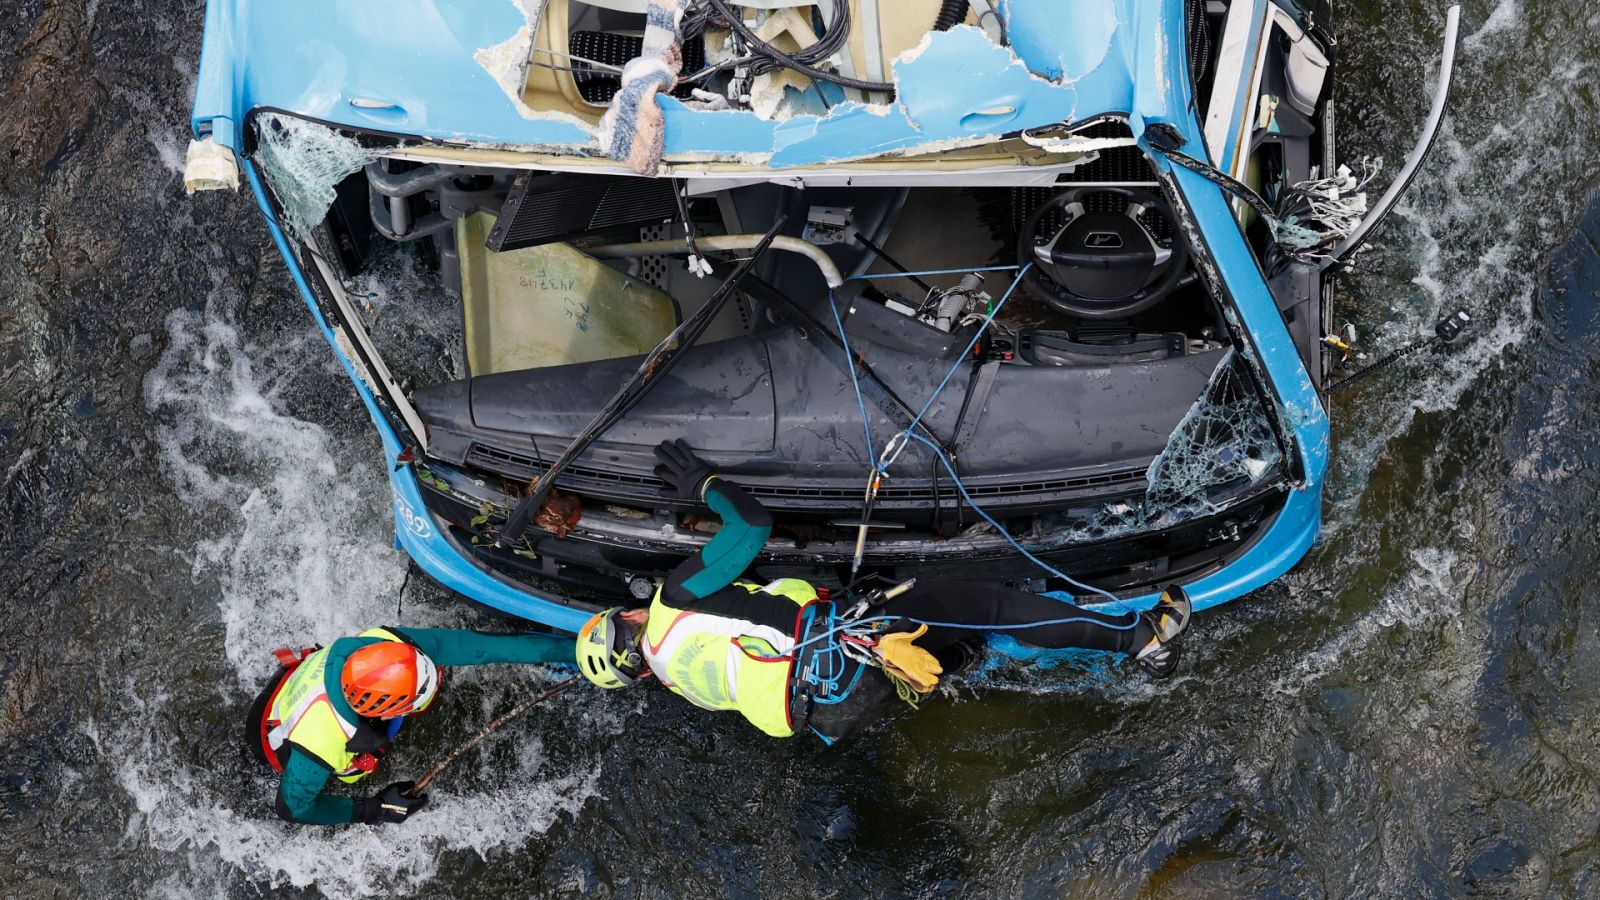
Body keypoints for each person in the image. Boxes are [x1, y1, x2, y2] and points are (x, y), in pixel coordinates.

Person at [575, 439, 1194, 744]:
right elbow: (752, 525)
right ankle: (1145, 640)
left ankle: (961, 657)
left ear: (641, 674)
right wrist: (703, 484)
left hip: (834, 714)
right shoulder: (675, 597)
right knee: (991, 605)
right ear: (624, 614)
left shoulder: (682, 683)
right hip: (851, 649)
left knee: (946, 644)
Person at [245, 625, 570, 825]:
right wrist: (374, 809)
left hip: (290, 690)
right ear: (389, 709)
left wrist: (575, 651)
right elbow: (292, 809)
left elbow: (480, 647)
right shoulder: (321, 744)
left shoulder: (386, 644)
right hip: (271, 738)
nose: (440, 675)